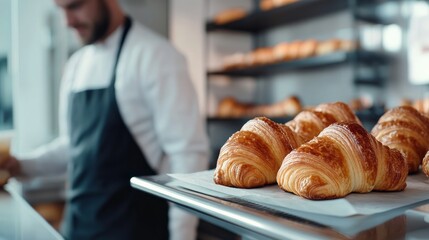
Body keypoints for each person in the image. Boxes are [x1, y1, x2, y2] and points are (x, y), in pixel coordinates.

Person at [0, 0, 209, 239]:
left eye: (75, 6)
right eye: (61, 9)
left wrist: (182, 236)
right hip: (79, 229)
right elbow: (74, 148)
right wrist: (21, 165)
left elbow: (187, 157)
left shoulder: (157, 56)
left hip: (135, 230)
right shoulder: (75, 66)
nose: (68, 21)